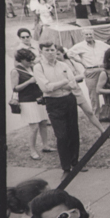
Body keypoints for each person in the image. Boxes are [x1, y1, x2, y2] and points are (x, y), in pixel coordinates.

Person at [32, 42, 82, 181]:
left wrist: (61, 84)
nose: (50, 52)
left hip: (69, 100)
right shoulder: (39, 67)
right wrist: (64, 82)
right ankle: (66, 168)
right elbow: (46, 88)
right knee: (61, 135)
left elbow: (73, 84)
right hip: (54, 103)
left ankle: (75, 162)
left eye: (52, 50)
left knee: (73, 132)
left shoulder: (63, 65)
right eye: (47, 50)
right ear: (41, 52)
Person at [12, 48, 53, 159]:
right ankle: (32, 150)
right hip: (27, 101)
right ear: (21, 60)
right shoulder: (16, 71)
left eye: (31, 60)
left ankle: (45, 145)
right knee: (34, 127)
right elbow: (15, 88)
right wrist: (29, 82)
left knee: (43, 123)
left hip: (39, 99)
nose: (31, 62)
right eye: (28, 60)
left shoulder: (32, 68)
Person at [67, 29, 109, 113]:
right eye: (87, 34)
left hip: (103, 70)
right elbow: (69, 54)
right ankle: (96, 115)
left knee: (106, 91)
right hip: (90, 71)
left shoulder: (101, 44)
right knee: (93, 94)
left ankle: (109, 112)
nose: (89, 36)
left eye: (91, 34)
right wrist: (80, 61)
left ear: (94, 35)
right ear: (83, 36)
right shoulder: (80, 46)